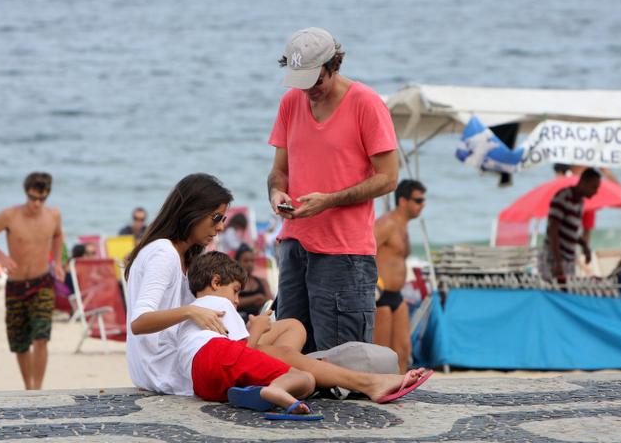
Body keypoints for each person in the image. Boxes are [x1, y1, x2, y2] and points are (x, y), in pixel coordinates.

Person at [125, 173, 432, 402]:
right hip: (170, 366)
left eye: (224, 219)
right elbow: (140, 323)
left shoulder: (183, 255)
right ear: (190, 212)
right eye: (216, 218)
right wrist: (191, 311)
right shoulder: (163, 252)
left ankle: (290, 372)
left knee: (290, 327)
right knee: (277, 350)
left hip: (186, 352)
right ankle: (365, 382)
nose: (220, 227)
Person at [267, 27, 399, 353]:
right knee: (290, 353)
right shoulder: (290, 103)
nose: (309, 89)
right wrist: (276, 193)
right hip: (294, 244)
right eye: (301, 81)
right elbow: (279, 170)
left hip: (344, 252)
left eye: (316, 80)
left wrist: (330, 201)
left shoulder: (366, 103)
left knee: (343, 360)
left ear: (333, 65)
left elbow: (388, 178)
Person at [180, 250, 317, 415]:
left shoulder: (189, 313)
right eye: (235, 291)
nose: (237, 300)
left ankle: (260, 390)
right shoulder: (221, 303)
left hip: (201, 382)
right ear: (215, 282)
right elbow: (244, 350)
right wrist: (257, 329)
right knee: (306, 379)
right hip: (218, 353)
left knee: (248, 376)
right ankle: (276, 389)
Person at [0, 172, 64, 390]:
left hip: (42, 282)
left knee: (41, 337)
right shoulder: (9, 216)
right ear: (26, 193)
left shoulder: (53, 215)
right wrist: (1, 256)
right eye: (33, 198)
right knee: (20, 342)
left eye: (42, 199)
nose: (37, 204)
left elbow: (58, 235)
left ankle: (38, 389)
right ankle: (28, 388)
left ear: (47, 196)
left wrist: (58, 263)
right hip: (15, 285)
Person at [373, 179, 426, 373]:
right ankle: (380, 390)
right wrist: (372, 285)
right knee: (382, 354)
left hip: (397, 295)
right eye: (418, 200)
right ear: (403, 201)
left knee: (403, 351)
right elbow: (365, 252)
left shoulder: (403, 226)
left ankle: (400, 390)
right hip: (381, 295)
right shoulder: (386, 223)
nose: (423, 205)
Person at [541, 168, 601, 282]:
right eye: (594, 187)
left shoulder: (580, 202)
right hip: (555, 258)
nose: (595, 192)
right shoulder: (563, 197)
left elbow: (569, 231)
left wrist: (584, 245)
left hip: (568, 259)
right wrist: (557, 262)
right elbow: (553, 230)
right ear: (583, 182)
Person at [235, 243, 273, 321]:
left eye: (252, 261)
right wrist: (255, 298)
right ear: (237, 262)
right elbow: (232, 303)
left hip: (261, 320)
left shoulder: (262, 281)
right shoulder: (233, 282)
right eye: (246, 261)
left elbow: (271, 302)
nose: (249, 264)